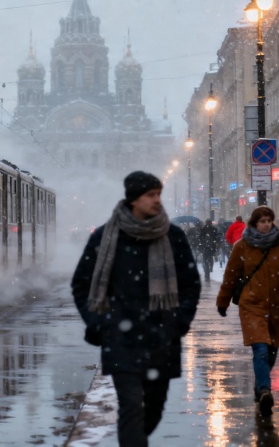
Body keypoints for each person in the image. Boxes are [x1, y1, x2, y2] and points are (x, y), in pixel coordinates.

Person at [72, 171, 201, 445]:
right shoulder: (105, 238)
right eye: (150, 195)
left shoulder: (173, 236)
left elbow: (191, 283)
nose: (157, 200)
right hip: (120, 337)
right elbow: (81, 284)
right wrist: (97, 322)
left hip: (162, 338)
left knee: (152, 410)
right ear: (133, 200)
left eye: (158, 194)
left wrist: (180, 321)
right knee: (130, 406)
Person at [216, 206, 279, 417]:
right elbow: (231, 275)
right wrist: (223, 301)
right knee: (260, 349)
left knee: (272, 351)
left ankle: (260, 383)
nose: (266, 224)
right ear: (254, 223)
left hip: (277, 305)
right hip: (252, 304)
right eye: (262, 221)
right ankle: (265, 390)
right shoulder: (242, 246)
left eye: (268, 220)